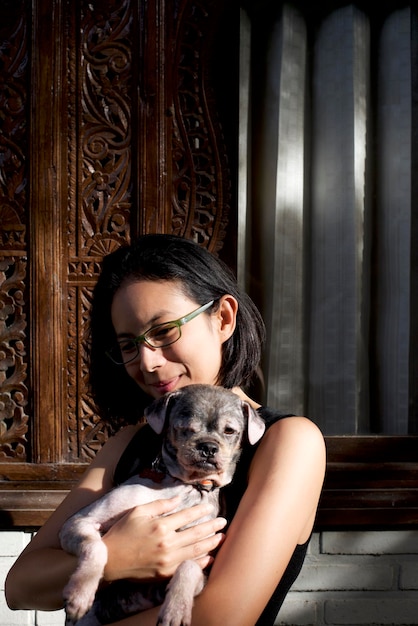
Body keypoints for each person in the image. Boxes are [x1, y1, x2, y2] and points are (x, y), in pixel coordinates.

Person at [5, 234, 326, 626]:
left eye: (164, 331)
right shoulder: (127, 444)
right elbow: (20, 587)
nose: (148, 361)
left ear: (223, 318)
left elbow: (220, 619)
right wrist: (118, 557)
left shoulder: (287, 441)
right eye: (128, 345)